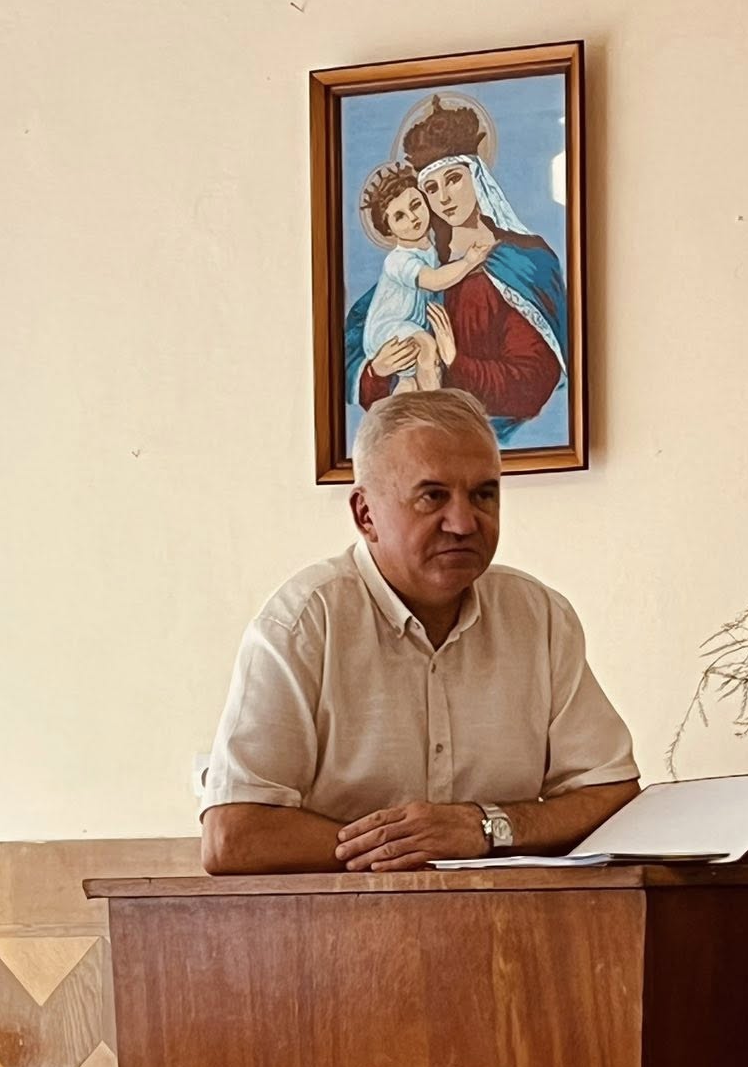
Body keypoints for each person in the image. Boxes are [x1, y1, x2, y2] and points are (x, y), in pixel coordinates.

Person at [201, 389, 638, 875]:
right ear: (365, 515)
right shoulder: (303, 622)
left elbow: (611, 795)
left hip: (511, 916)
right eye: (433, 496)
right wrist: (411, 849)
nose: (463, 523)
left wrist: (486, 827)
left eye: (483, 494)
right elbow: (233, 836)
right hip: (339, 917)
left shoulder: (540, 618)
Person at [343, 97, 568, 443]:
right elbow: (360, 346)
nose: (444, 198)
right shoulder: (424, 269)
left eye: (453, 179)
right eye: (431, 188)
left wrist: (454, 360)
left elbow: (533, 383)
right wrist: (377, 371)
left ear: (477, 177)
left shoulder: (526, 262)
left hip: (493, 442)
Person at [358, 164, 491, 392]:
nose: (413, 218)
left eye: (416, 205)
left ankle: (412, 402)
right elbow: (434, 280)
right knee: (428, 348)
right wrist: (469, 261)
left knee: (408, 385)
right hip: (389, 329)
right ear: (388, 229)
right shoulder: (398, 260)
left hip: (410, 326)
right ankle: (434, 402)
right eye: (400, 216)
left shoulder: (431, 248)